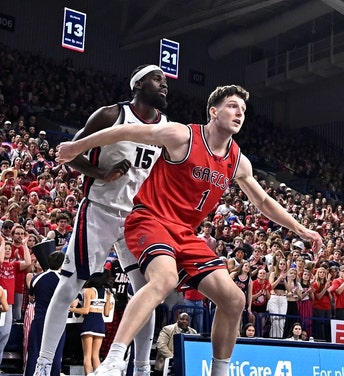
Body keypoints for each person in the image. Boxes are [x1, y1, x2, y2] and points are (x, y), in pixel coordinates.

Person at [56, 84, 323, 376]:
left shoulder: (237, 161)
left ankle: (219, 371)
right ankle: (113, 361)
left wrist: (301, 229)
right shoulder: (182, 135)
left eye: (243, 110)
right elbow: (125, 132)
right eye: (233, 106)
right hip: (151, 219)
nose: (239, 113)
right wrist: (76, 147)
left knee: (233, 299)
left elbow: (262, 200)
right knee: (164, 279)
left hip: (185, 234)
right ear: (213, 111)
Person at [34, 64, 170, 376]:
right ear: (138, 85)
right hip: (100, 210)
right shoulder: (111, 116)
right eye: (157, 79)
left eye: (164, 80)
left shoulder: (166, 128)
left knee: (146, 291)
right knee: (69, 286)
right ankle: (43, 365)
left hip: (137, 218)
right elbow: (68, 153)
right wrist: (101, 173)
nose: (164, 85)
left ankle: (141, 368)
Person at [69, 272, 113, 375]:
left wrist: (72, 308)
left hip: (89, 323)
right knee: (95, 355)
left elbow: (85, 310)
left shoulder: (88, 291)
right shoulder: (107, 293)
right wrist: (109, 307)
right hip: (100, 325)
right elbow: (106, 314)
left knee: (87, 356)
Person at [0, 230, 29, 368]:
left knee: (5, 335)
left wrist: (24, 245)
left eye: (8, 249)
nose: (6, 251)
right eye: (4, 249)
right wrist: (2, 242)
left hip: (9, 304)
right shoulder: (0, 264)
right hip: (1, 304)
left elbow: (28, 262)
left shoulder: (14, 265)